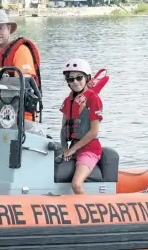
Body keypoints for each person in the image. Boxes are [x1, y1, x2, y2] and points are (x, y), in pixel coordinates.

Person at [60, 58, 104, 194]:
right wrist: (64, 148)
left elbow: (94, 131)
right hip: (73, 147)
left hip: (89, 149)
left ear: (87, 78)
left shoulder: (93, 99)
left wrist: (72, 149)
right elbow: (63, 127)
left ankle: (91, 212)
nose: (75, 82)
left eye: (79, 78)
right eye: (70, 79)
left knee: (76, 185)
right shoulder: (69, 100)